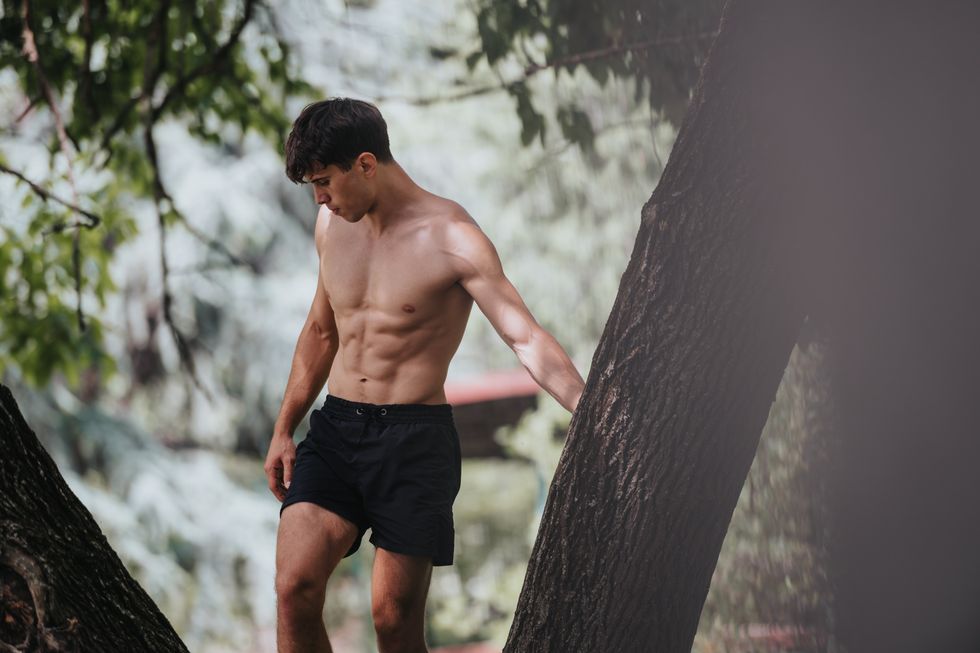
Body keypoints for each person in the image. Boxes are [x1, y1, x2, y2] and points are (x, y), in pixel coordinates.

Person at [264, 97, 585, 653]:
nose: (319, 198)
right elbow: (321, 332)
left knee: (393, 620)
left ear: (366, 164)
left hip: (414, 442)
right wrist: (284, 428)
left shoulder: (452, 237)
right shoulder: (331, 227)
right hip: (337, 430)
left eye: (324, 182)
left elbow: (525, 337)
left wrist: (594, 412)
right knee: (294, 590)